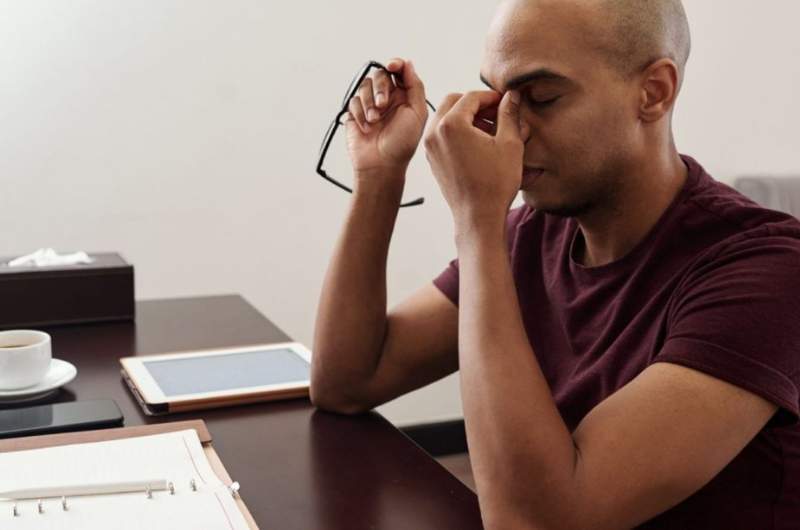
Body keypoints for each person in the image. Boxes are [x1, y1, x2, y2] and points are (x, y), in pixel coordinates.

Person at [310, 0, 800, 527]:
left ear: (654, 92)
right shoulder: (534, 236)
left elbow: (536, 521)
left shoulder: (768, 270)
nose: (507, 131)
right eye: (498, 97)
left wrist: (477, 221)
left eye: (541, 98)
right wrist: (379, 178)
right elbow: (348, 379)